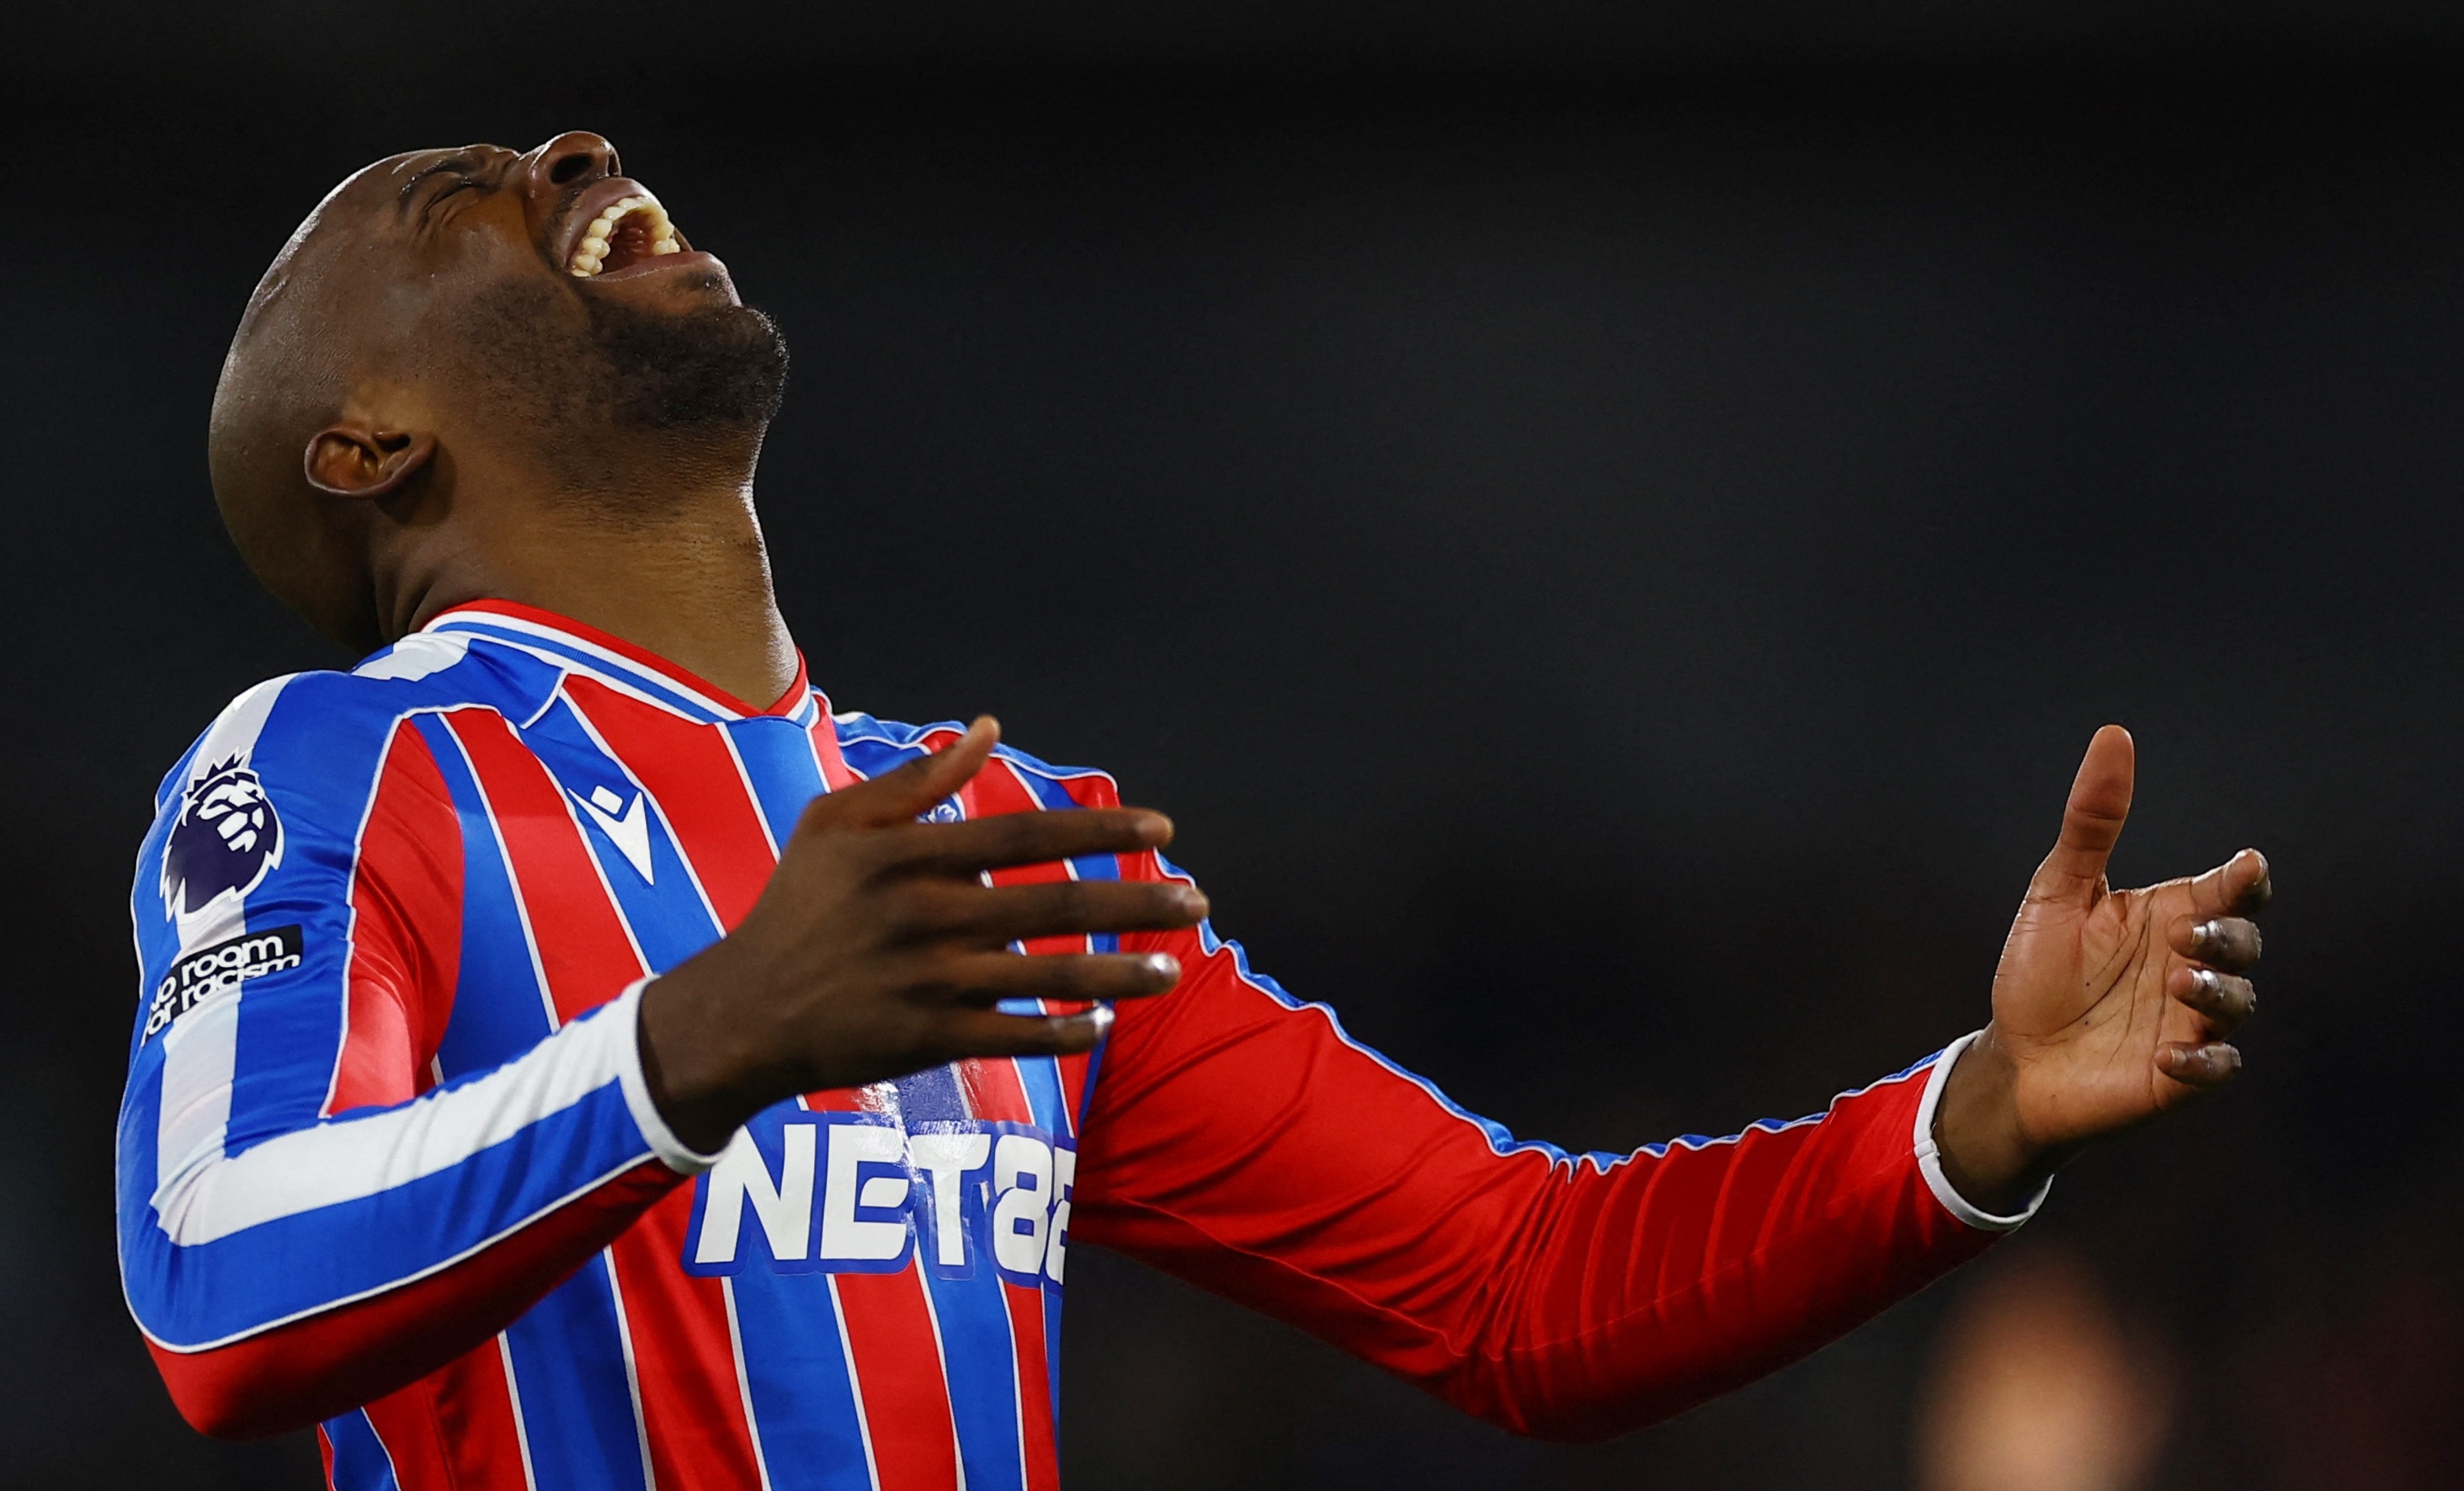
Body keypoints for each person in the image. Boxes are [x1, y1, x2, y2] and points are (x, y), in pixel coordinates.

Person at [117, 130, 2271, 1490]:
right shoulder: (334, 764)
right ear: (365, 446)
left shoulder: (982, 852)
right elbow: (216, 1291)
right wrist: (690, 1051)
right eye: (447, 201)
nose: (569, 145)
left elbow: (1518, 1284)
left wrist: (1960, 1119)